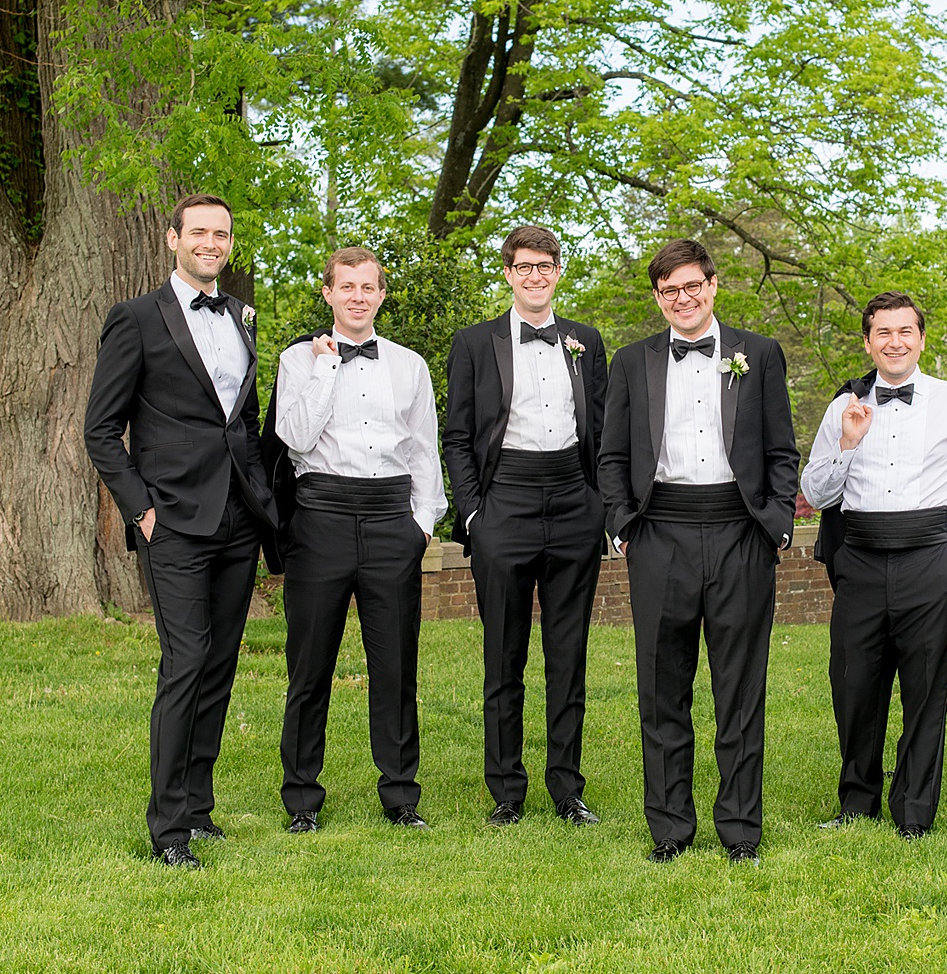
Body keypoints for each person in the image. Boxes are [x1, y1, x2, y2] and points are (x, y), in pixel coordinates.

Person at [84, 193, 278, 869]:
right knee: (185, 662)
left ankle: (198, 808)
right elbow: (100, 429)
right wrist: (141, 508)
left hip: (236, 520)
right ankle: (167, 829)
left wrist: (262, 501)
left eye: (221, 234)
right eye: (198, 232)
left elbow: (241, 423)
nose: (210, 243)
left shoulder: (241, 315)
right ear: (173, 239)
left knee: (219, 667)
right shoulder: (136, 318)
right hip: (172, 521)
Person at [598, 239, 799, 864]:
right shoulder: (632, 361)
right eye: (669, 291)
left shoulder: (759, 355)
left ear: (712, 286)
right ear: (658, 298)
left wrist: (777, 523)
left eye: (692, 286)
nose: (682, 299)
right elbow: (610, 455)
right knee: (662, 687)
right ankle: (670, 829)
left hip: (740, 530)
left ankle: (740, 830)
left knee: (739, 687)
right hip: (660, 531)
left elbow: (781, 449)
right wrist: (622, 522)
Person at [800, 292, 947, 839]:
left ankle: (914, 811)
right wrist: (846, 441)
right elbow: (815, 492)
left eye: (905, 331)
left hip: (932, 561)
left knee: (926, 690)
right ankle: (856, 803)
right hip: (860, 560)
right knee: (854, 686)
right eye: (883, 333)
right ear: (867, 342)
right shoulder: (842, 406)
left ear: (921, 339)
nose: (894, 342)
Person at [270, 246, 448, 835]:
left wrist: (423, 523)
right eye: (346, 287)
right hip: (320, 518)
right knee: (310, 666)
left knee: (396, 667)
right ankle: (301, 799)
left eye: (368, 287)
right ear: (328, 293)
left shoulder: (410, 365)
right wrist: (326, 367)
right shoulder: (298, 360)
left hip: (391, 521)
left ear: (381, 295)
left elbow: (424, 449)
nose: (357, 297)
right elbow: (294, 436)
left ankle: (400, 795)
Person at [442, 225, 609, 828]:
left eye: (546, 266)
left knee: (569, 654)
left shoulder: (586, 341)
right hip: (504, 502)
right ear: (508, 274)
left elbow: (605, 432)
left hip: (573, 503)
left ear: (558, 272)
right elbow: (457, 436)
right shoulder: (474, 343)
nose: (535, 276)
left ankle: (567, 789)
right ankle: (507, 790)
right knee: (503, 653)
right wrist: (474, 515)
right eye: (524, 267)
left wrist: (600, 506)